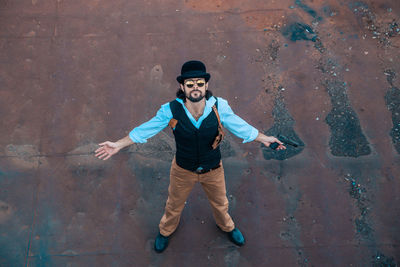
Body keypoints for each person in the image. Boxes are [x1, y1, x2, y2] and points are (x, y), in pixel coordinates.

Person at [95, 60, 286, 253]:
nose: (195, 87)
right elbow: (146, 129)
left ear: (206, 85)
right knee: (174, 204)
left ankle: (227, 227)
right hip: (182, 170)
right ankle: (165, 231)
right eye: (190, 83)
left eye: (200, 83)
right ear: (182, 86)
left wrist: (265, 139)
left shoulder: (219, 107)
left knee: (221, 203)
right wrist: (118, 144)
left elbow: (241, 126)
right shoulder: (170, 110)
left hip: (213, 169)